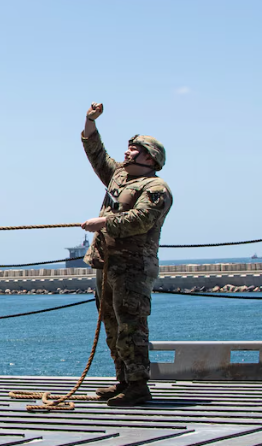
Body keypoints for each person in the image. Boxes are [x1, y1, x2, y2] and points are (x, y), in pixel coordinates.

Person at [80, 102, 172, 407]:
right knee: (111, 324)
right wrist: (90, 122)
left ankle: (138, 386)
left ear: (150, 157)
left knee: (131, 326)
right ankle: (122, 380)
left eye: (134, 149)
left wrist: (104, 222)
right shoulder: (119, 177)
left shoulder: (156, 188)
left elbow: (142, 220)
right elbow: (96, 154)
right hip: (107, 264)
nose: (127, 152)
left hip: (132, 268)